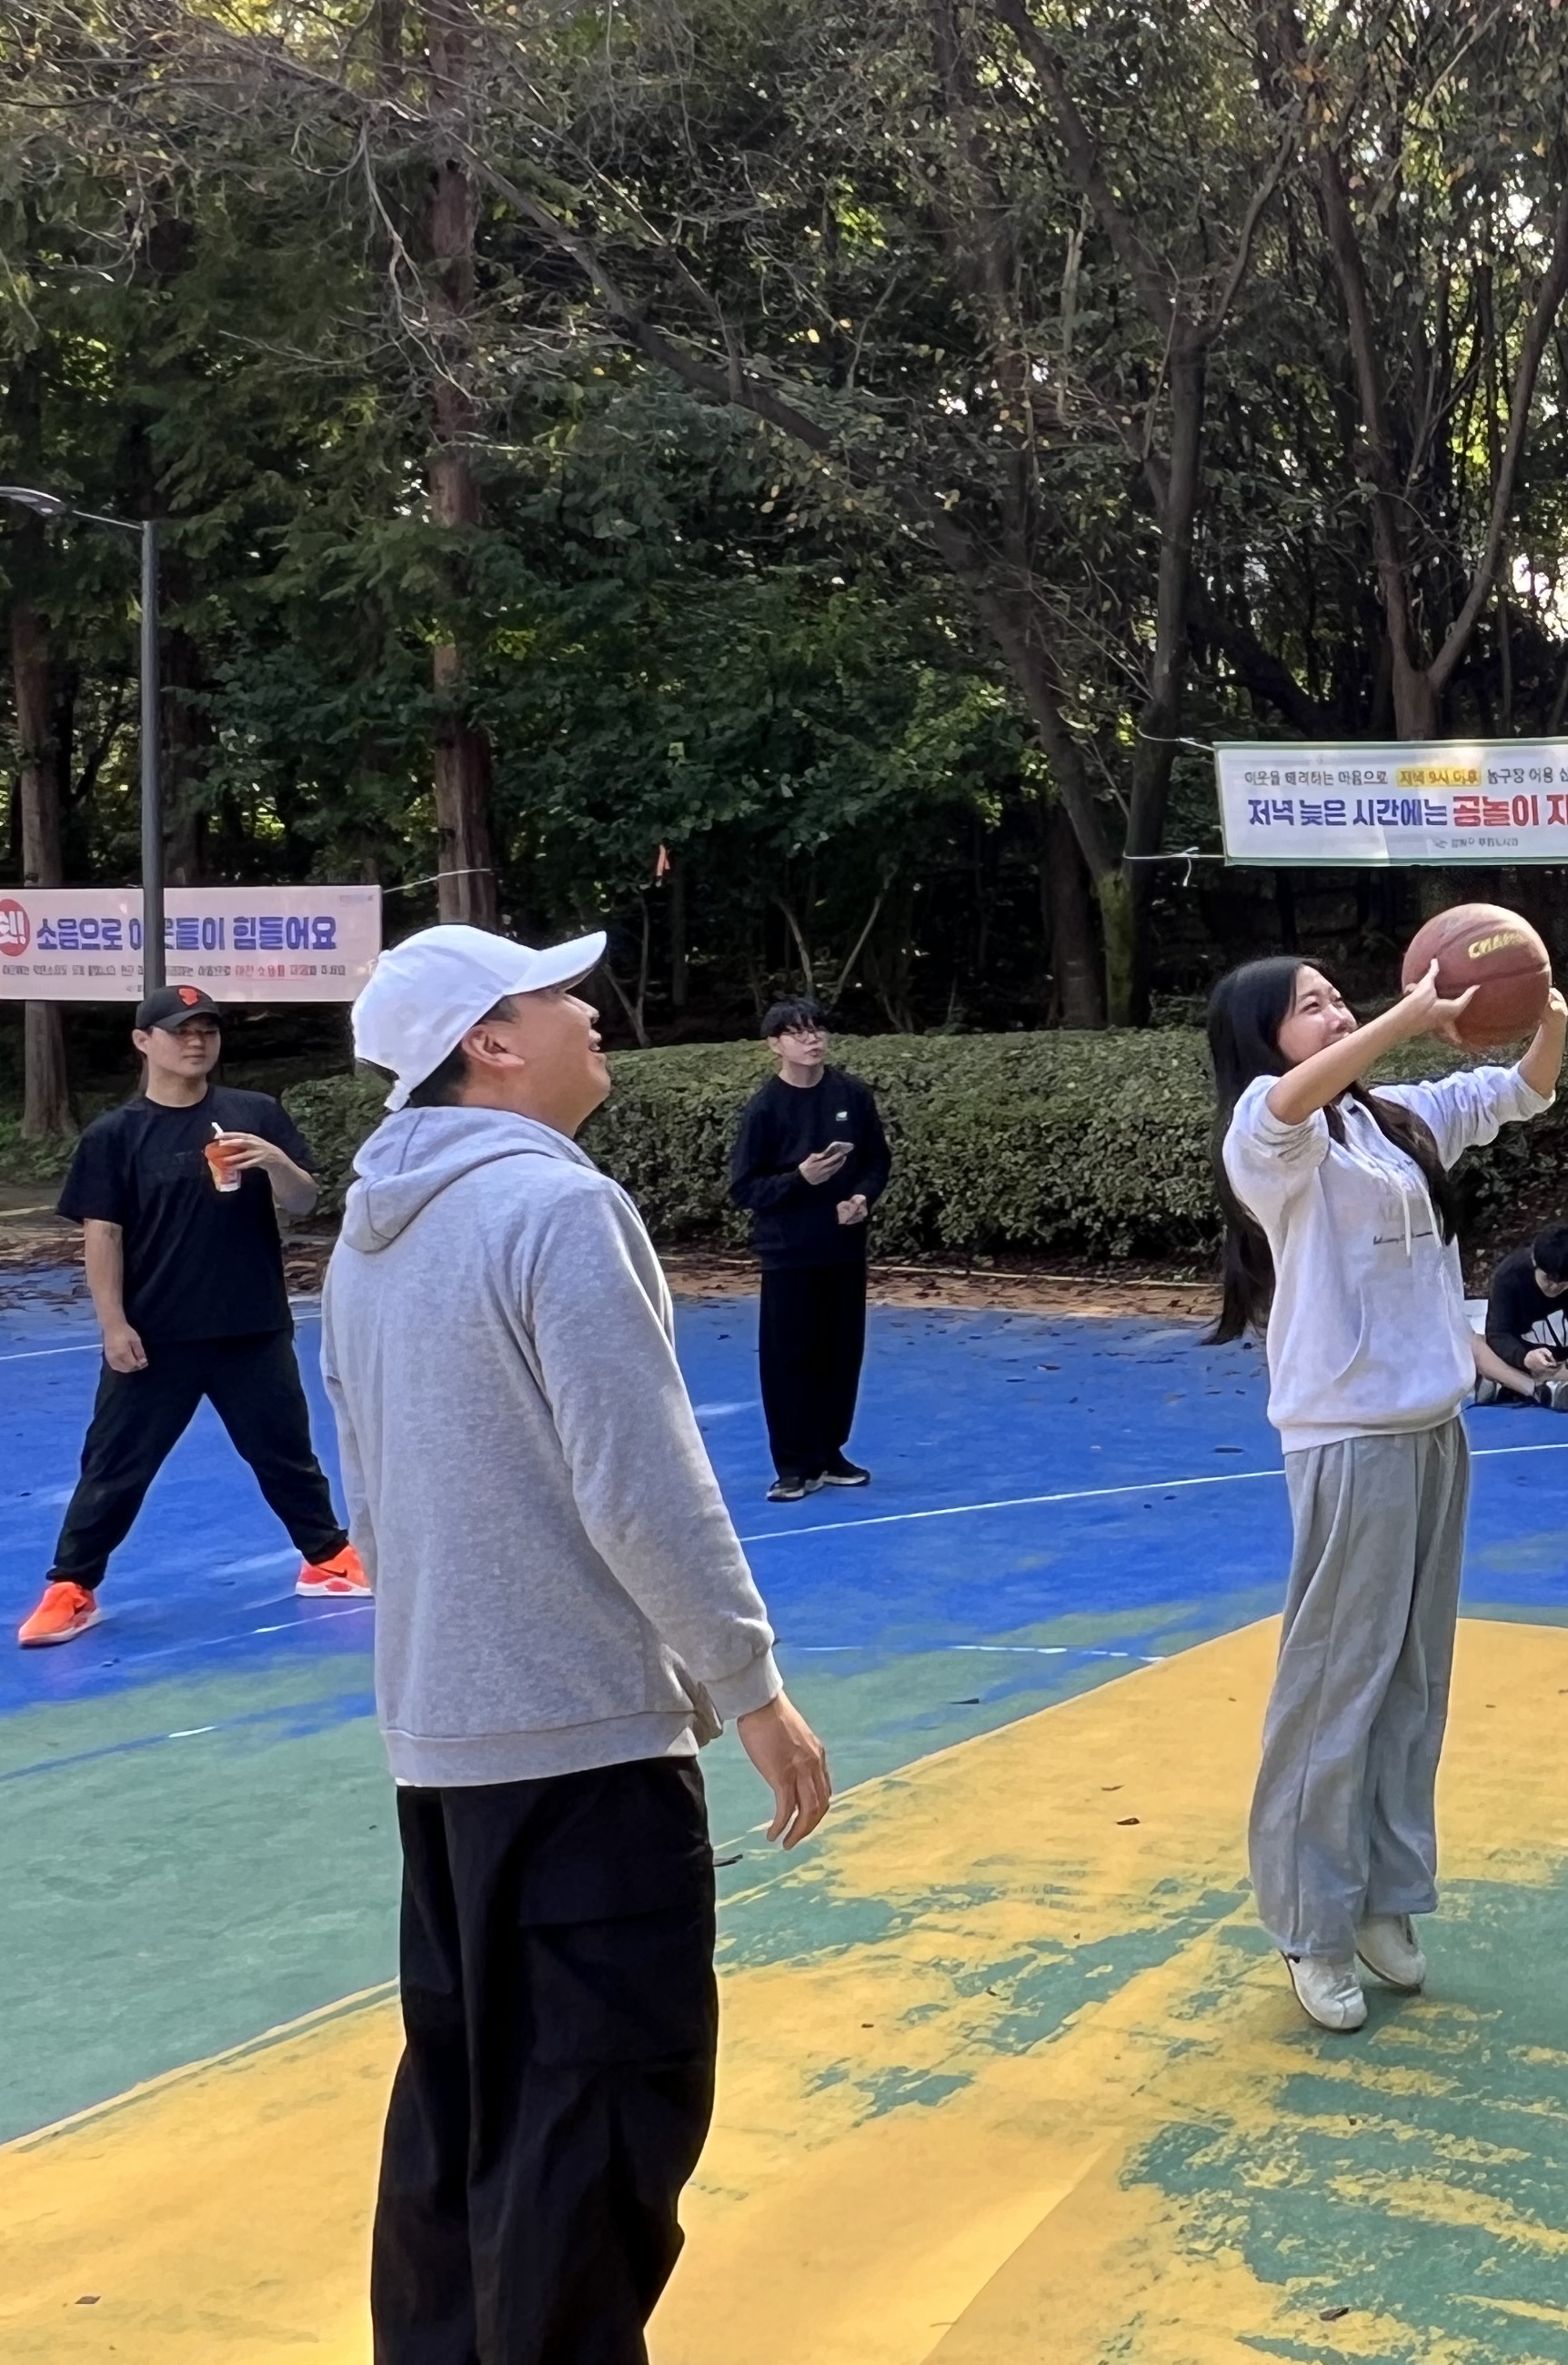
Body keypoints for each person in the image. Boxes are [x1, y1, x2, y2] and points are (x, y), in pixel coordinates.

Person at [325, 923, 833, 2364]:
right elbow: (641, 1480)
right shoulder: (556, 1208)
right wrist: (749, 1686)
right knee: (597, 2120)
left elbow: (369, 1488)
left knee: (465, 2104)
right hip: (583, 1740)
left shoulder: (369, 1235)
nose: (588, 1010)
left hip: (443, 1742)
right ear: (489, 1044)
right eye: (555, 993)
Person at [1211, 951, 1568, 2034]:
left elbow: (1522, 1090)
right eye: (1309, 1006)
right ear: (1265, 1037)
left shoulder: (1394, 1122)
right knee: (1337, 1685)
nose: (1335, 1012)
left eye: (1338, 997)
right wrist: (1412, 1015)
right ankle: (1310, 1925)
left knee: (1414, 1682)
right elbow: (1292, 1101)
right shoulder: (1269, 1138)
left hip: (1432, 1432)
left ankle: (1383, 1899)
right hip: (1347, 1439)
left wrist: (1540, 1002)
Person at [17, 983, 364, 1649]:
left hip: (252, 1325)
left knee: (287, 1453)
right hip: (157, 1334)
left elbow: (302, 1201)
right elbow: (103, 1234)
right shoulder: (115, 1135)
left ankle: (327, 1559)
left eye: (207, 1030)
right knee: (115, 1465)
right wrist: (113, 1324)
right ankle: (72, 1586)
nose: (196, 1041)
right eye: (180, 1031)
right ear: (143, 1042)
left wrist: (277, 1161)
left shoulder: (252, 1113)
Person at [726, 997, 892, 1504]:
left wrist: (862, 1197)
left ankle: (830, 1451)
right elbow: (745, 1188)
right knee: (790, 1358)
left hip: (843, 1249)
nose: (812, 1039)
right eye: (797, 1033)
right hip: (788, 1253)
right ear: (774, 1045)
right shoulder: (765, 1108)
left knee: (841, 1355)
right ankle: (794, 1465)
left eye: (817, 1029)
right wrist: (799, 1178)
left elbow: (877, 1160)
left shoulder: (851, 1095)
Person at [1474, 1223, 1568, 1411]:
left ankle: (1513, 1387)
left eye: (1564, 1284)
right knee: (1475, 1345)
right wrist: (1525, 1358)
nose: (1554, 1288)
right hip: (1518, 1361)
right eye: (1547, 1279)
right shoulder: (1509, 1276)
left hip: (1563, 1368)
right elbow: (1497, 1334)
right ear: (1535, 1263)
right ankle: (1535, 1390)